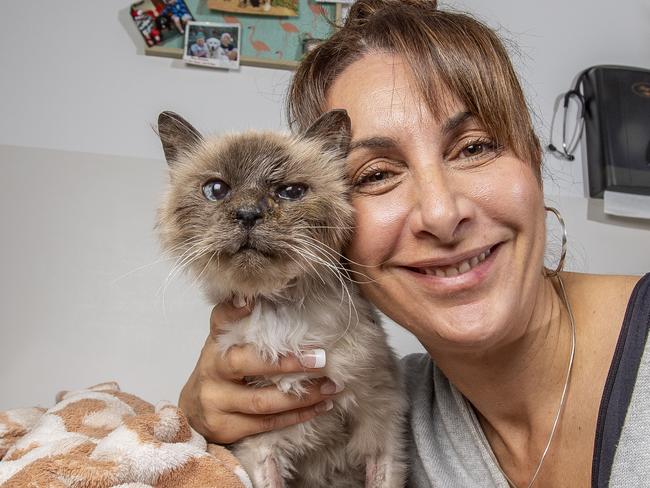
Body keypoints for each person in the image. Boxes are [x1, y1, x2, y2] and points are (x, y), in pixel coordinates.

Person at [178, 0, 649, 486]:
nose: (442, 215)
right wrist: (194, 422)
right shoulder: (378, 412)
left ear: (533, 160)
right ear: (333, 230)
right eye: (377, 174)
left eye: (473, 148)